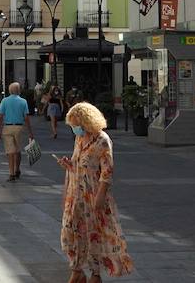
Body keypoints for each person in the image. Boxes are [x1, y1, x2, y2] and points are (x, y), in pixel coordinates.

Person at [57, 102, 133, 282]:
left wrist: (100, 197)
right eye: (73, 126)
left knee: (93, 235)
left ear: (86, 122)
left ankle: (94, 274)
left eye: (77, 125)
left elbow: (107, 172)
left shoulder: (102, 140)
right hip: (75, 194)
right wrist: (69, 166)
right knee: (70, 233)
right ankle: (77, 268)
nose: (75, 129)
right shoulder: (79, 139)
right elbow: (78, 164)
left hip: (93, 195)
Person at [0, 81, 35, 181]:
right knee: (17, 150)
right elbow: (26, 117)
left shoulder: (5, 101)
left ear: (9, 90)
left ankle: (11, 173)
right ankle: (17, 169)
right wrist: (30, 131)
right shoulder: (23, 101)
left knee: (10, 152)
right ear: (19, 90)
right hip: (19, 127)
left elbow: (0, 116)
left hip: (7, 127)